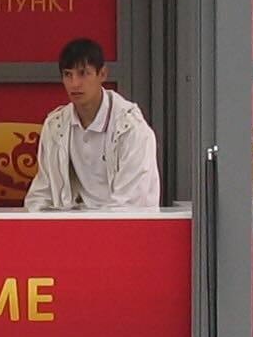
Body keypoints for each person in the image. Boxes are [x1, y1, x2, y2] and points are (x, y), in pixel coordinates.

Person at [23, 37, 160, 211]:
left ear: (102, 74)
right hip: (74, 223)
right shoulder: (55, 126)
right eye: (68, 75)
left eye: (83, 73)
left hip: (122, 224)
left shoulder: (131, 128)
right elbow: (42, 193)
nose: (75, 84)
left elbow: (131, 204)